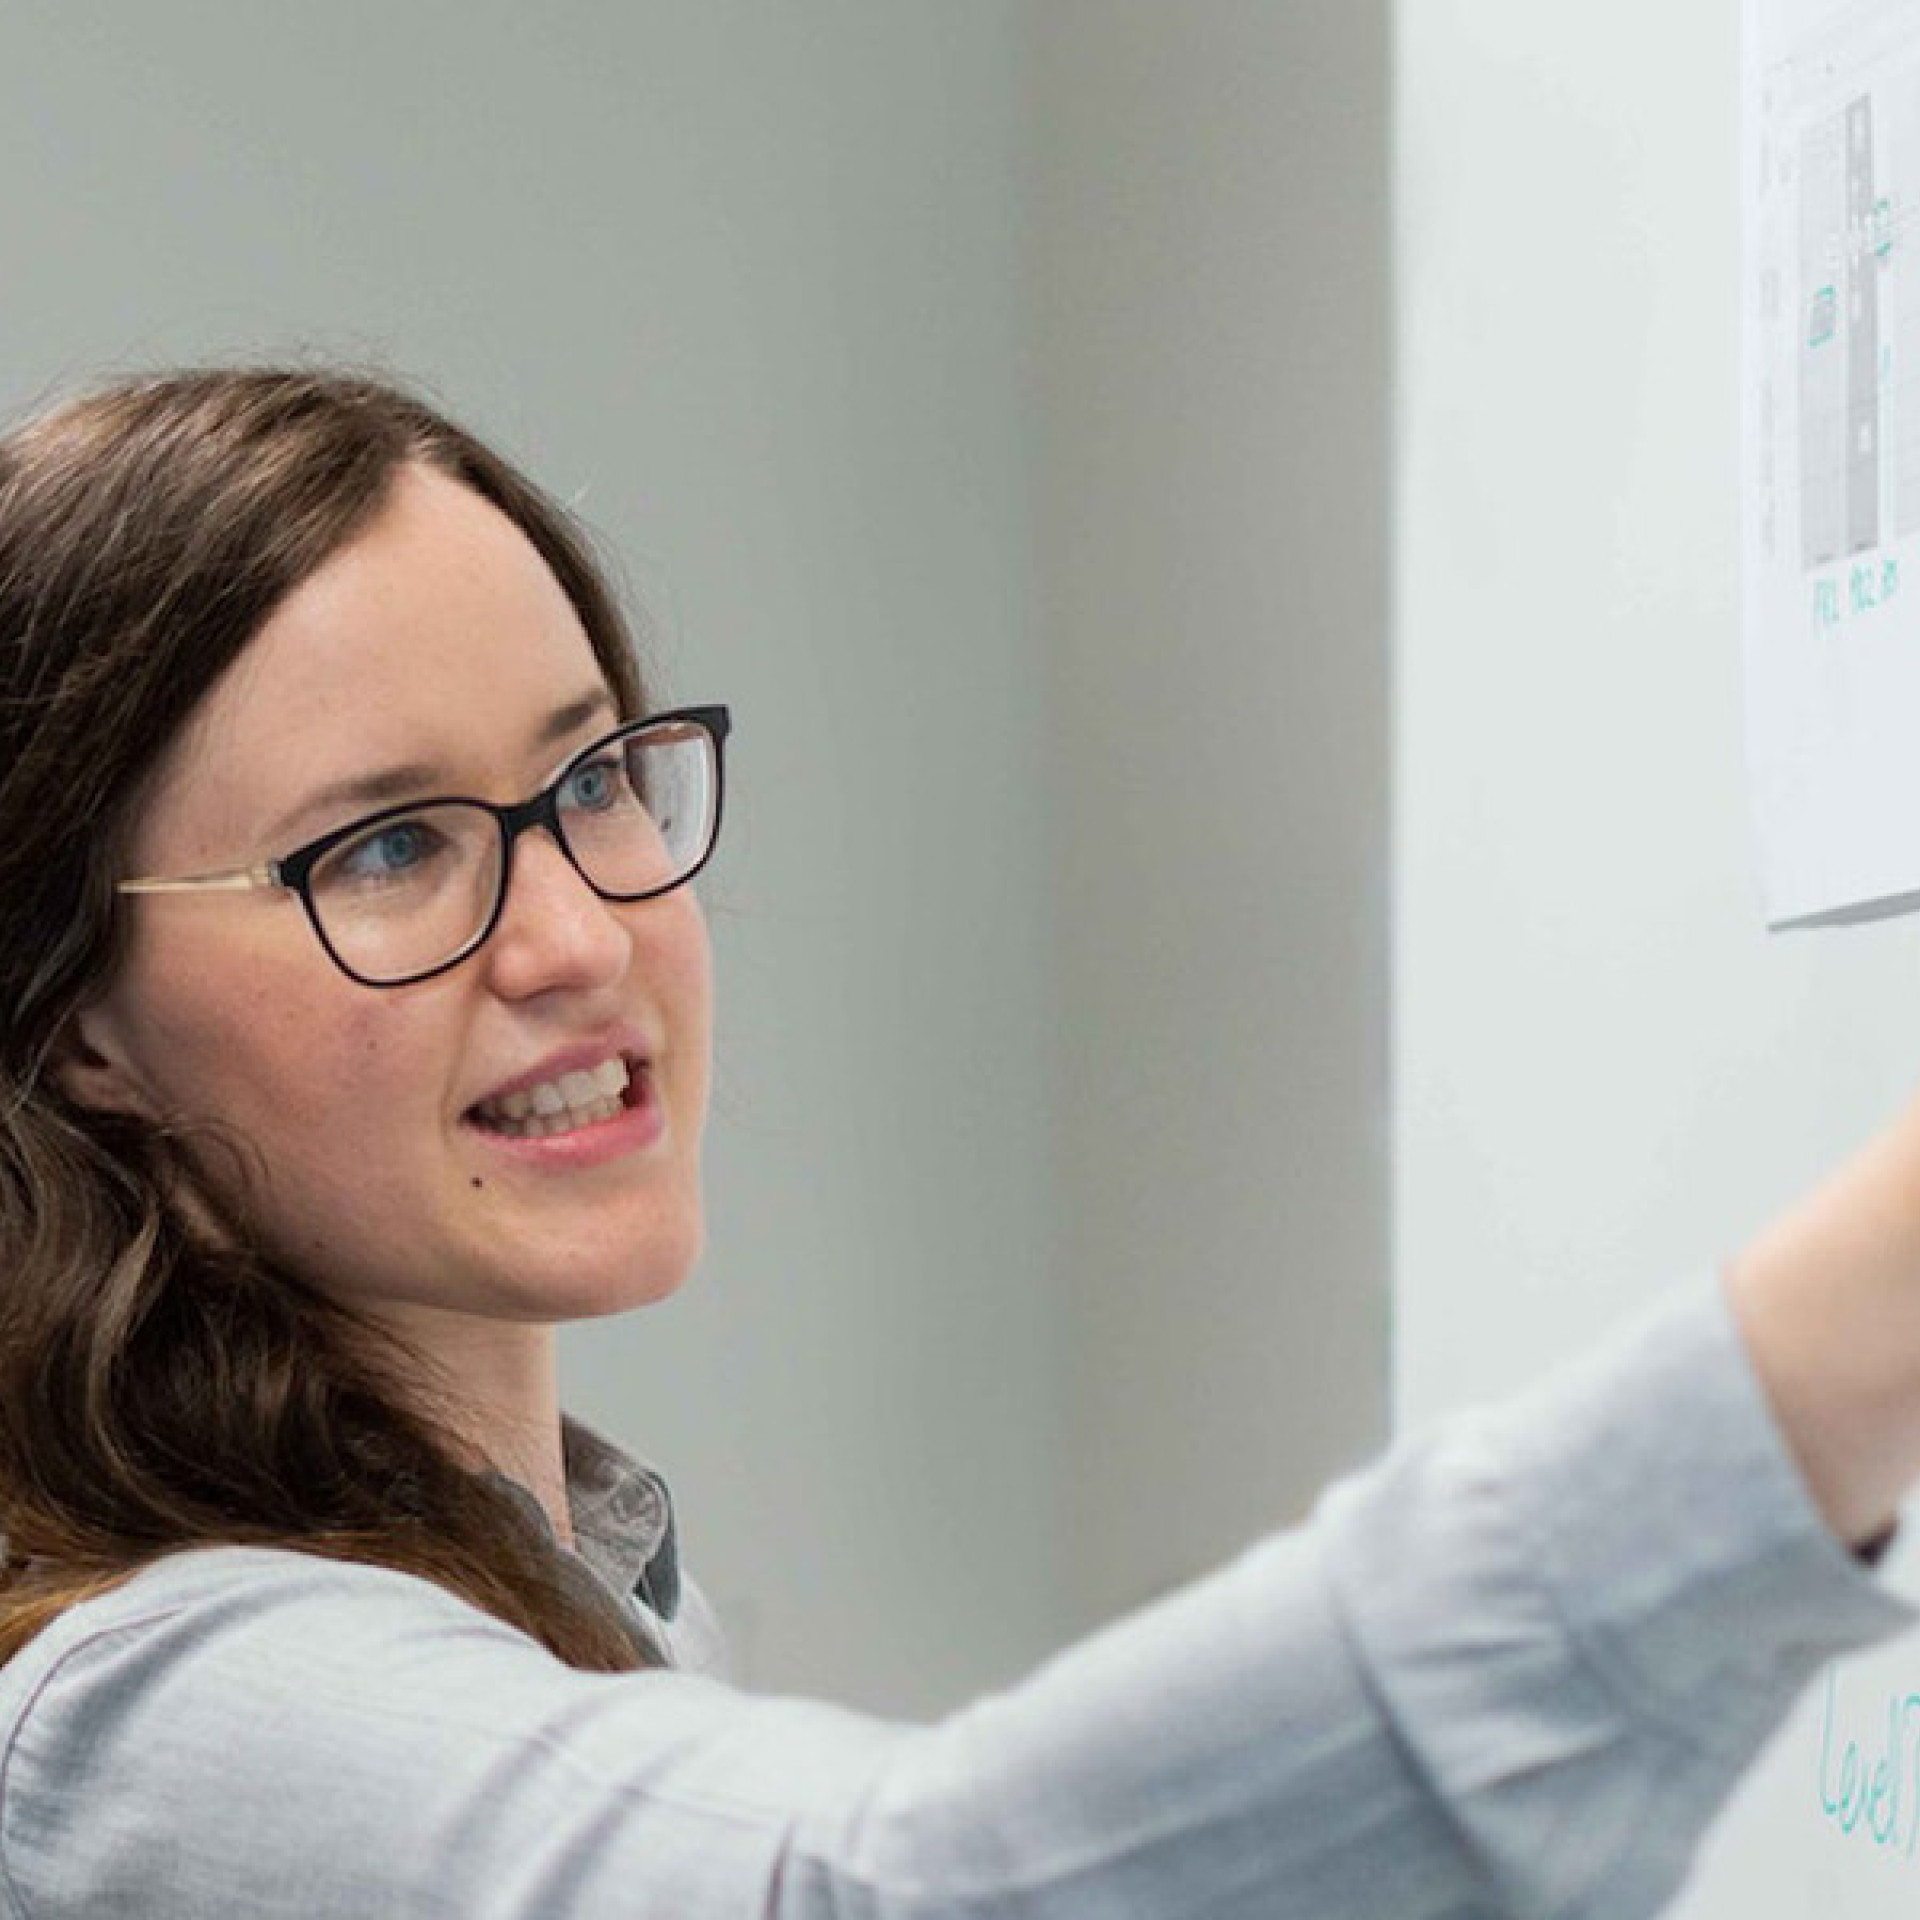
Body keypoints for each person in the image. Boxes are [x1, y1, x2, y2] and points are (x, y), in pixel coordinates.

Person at [0, 364, 1910, 1919]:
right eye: (392, 848)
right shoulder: (155, 1714)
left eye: (593, 778)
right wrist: (1851, 1334)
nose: (583, 934)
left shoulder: (582, 1584)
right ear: (82, 1023)